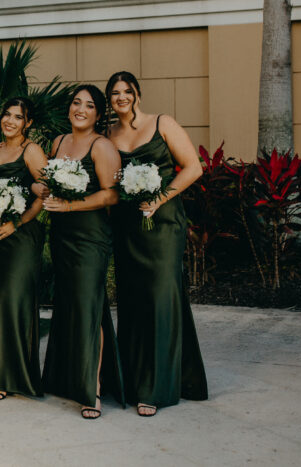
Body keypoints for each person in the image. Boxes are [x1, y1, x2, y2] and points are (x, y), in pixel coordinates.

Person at [105, 70, 208, 416]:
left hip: (163, 224)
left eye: (127, 91)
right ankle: (135, 381)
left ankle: (157, 387)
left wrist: (160, 198)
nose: (121, 97)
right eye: (115, 93)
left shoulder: (163, 123)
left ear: (137, 93)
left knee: (162, 297)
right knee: (133, 301)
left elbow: (193, 167)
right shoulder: (108, 134)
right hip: (127, 227)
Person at [40, 85, 124, 419]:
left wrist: (70, 205)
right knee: (70, 304)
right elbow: (48, 184)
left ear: (99, 114)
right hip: (61, 234)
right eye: (76, 102)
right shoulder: (58, 142)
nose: (81, 109)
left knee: (89, 306)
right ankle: (66, 378)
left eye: (89, 106)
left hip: (90, 236)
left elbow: (111, 195)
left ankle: (93, 389)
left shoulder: (102, 146)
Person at [0, 97, 47, 402]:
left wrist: (16, 224)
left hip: (21, 236)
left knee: (14, 299)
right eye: (7, 114)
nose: (10, 121)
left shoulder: (30, 150)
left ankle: (11, 376)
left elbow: (46, 192)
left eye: (18, 117)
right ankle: (0, 373)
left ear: (27, 123)